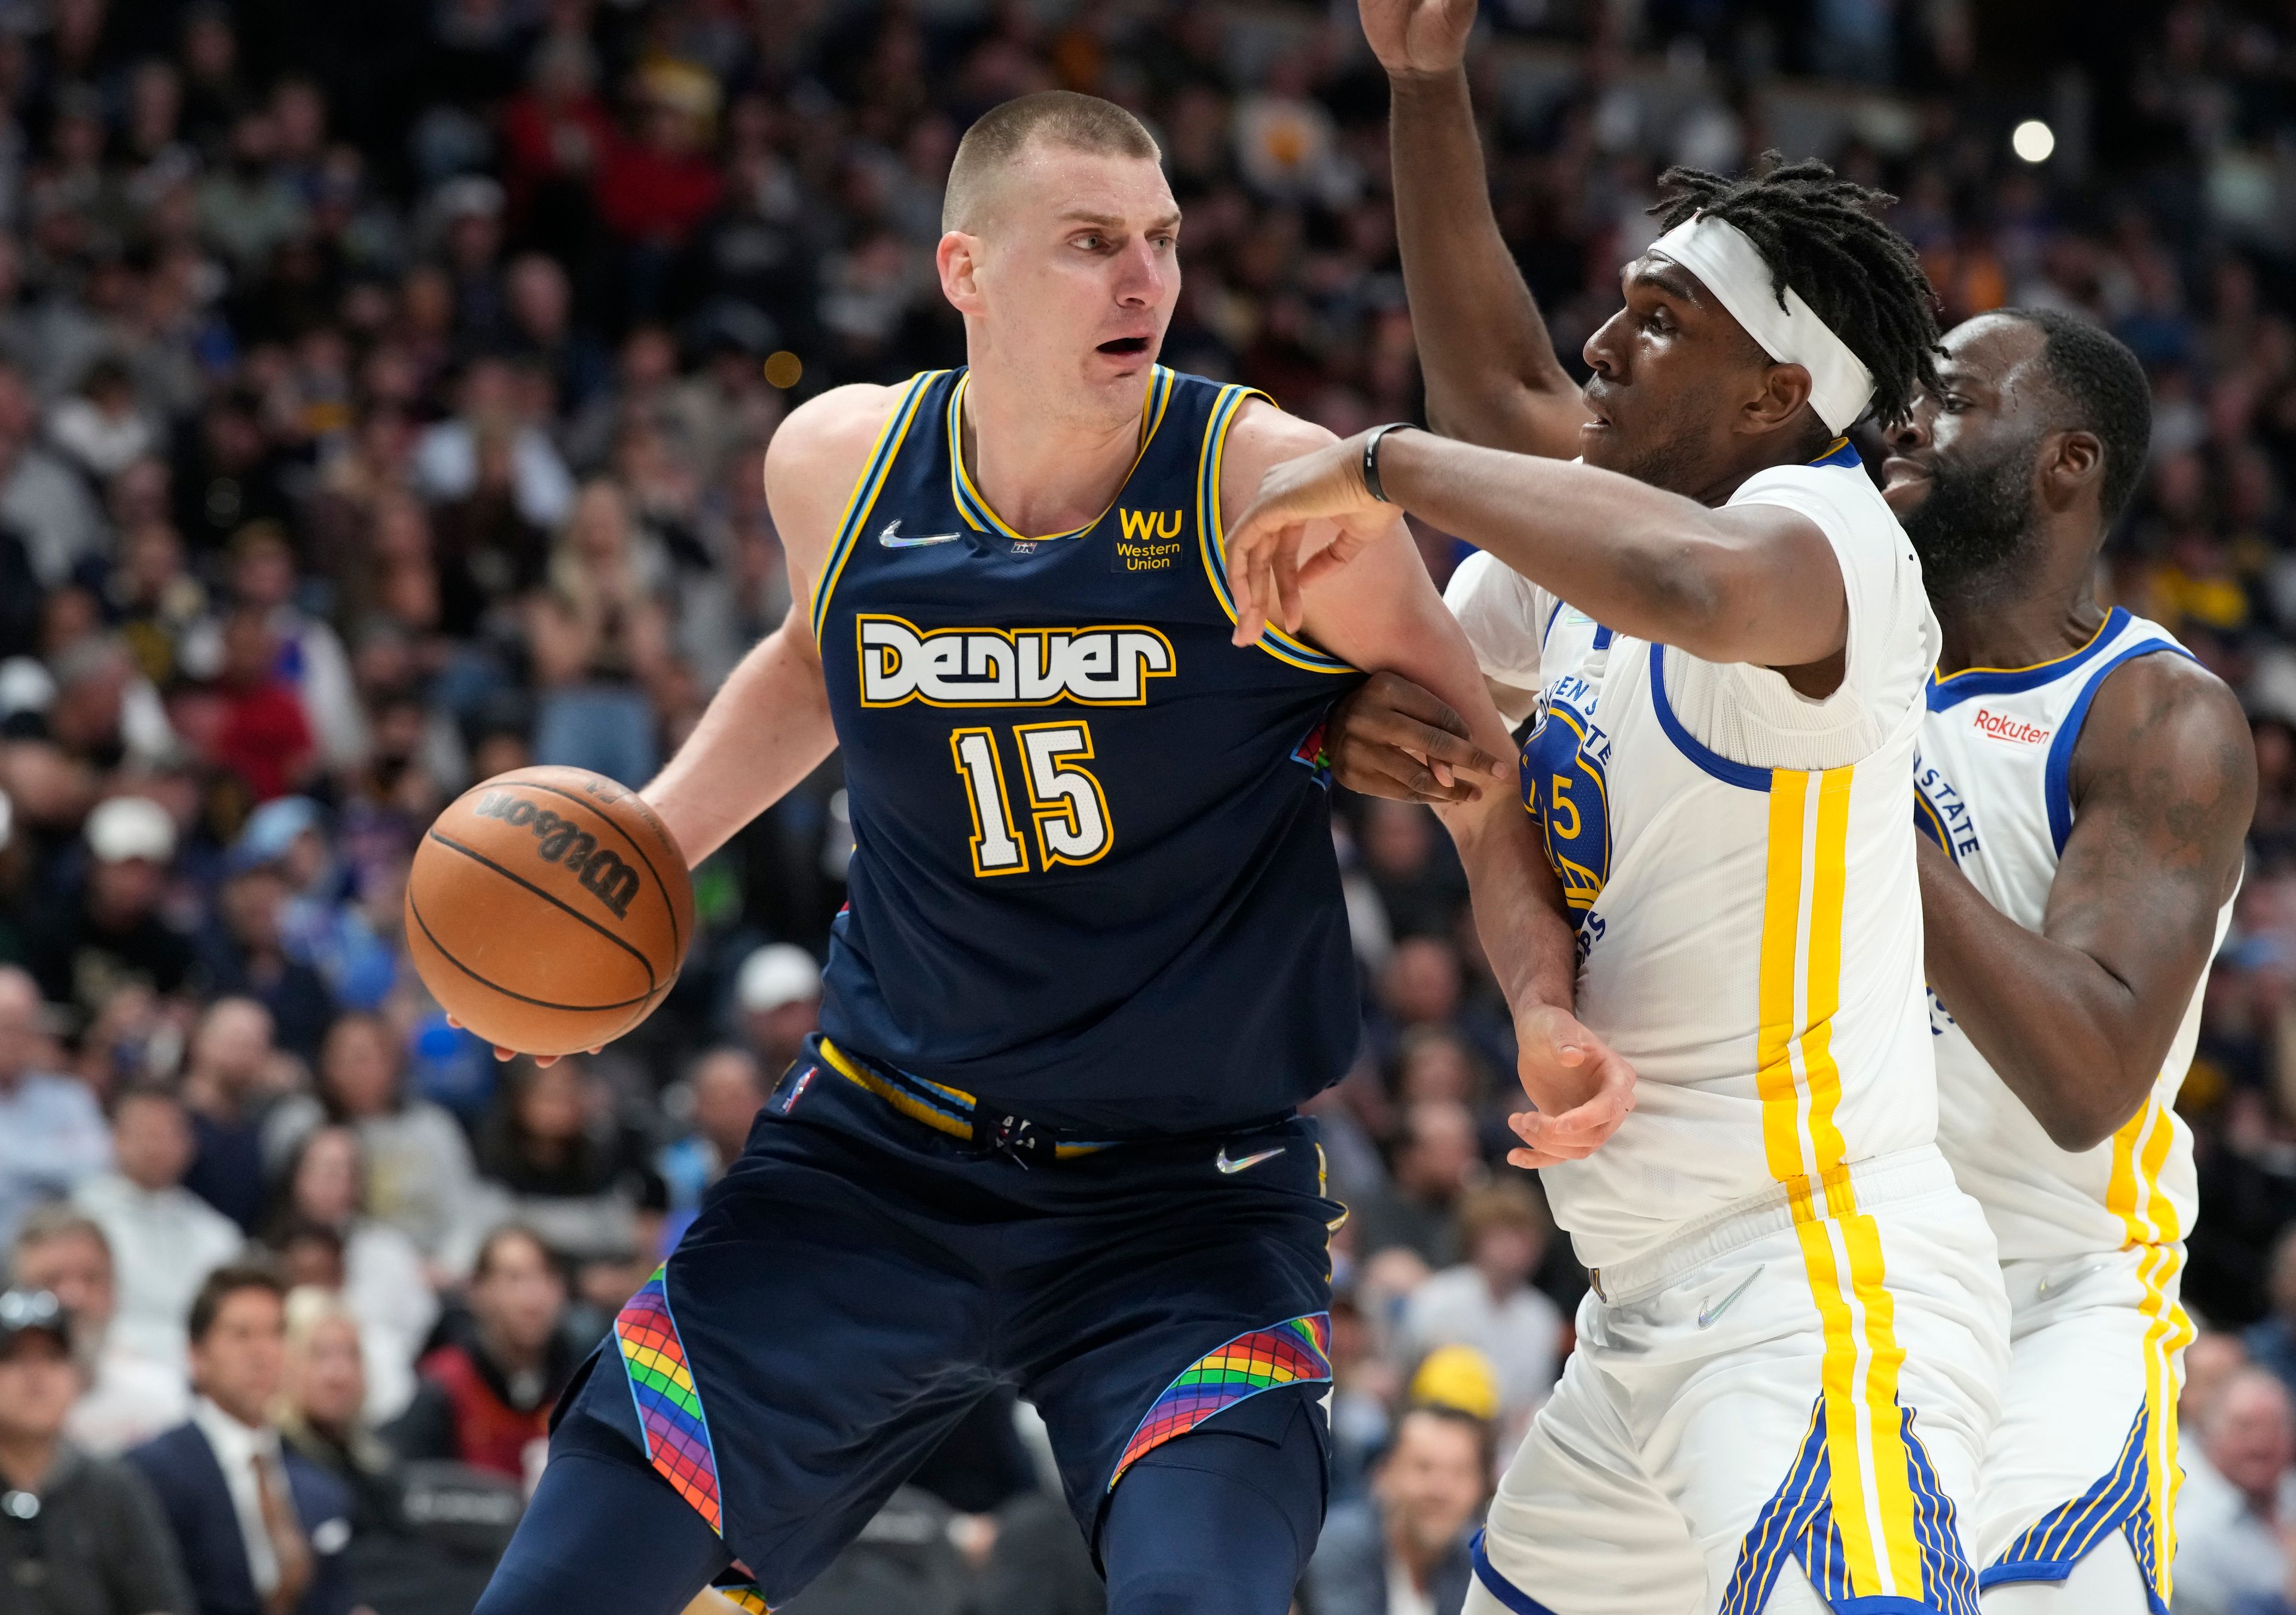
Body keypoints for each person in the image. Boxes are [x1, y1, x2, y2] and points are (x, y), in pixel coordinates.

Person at [466, 90, 1629, 1615]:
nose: (1143, 280)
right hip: (877, 1155)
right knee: (561, 1579)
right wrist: (645, 848)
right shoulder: (838, 463)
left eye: (1158, 242)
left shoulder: (1268, 494)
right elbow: (822, 658)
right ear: (966, 269)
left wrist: (1541, 1004)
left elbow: (1482, 779)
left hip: (1183, 1201)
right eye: (1090, 244)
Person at [1225, 5, 2016, 1610]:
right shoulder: (1567, 574)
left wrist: (1385, 460)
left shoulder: (1828, 535)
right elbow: (1509, 402)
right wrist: (1427, 86)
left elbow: (1649, 553)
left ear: (1773, 393)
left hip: (1819, 1296)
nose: (1602, 345)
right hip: (1641, 1315)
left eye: (1659, 324)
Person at [1335, 300, 2251, 1611]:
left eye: (1958, 398)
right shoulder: (1816, 619)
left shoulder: (2155, 715)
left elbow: (2088, 1075)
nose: (1908, 417)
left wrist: (1858, 785)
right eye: (1907, 391)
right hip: (1801, 1271)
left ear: (2070, 463)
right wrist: (1430, 97)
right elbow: (1528, 406)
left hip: (2052, 1303)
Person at [127, 1263, 356, 1615]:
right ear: (196, 1356)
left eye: (276, 1333)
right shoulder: (150, 1472)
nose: (262, 1353)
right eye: (241, 1335)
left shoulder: (320, 1480)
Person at [0, 1286, 194, 1615]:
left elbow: (161, 1606)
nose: (36, 1376)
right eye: (14, 1358)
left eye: (52, 1358)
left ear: (79, 1377)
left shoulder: (116, 1490)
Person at [385, 1225, 579, 1486]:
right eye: (515, 1278)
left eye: (547, 1277)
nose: (535, 1297)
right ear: (478, 1291)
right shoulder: (444, 1386)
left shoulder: (582, 1384)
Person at [72, 1085, 245, 1367]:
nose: (154, 1146)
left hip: (200, 1372)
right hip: (108, 1367)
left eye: (166, 1134)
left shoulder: (217, 1234)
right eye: (143, 1133)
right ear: (114, 1138)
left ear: (189, 1144)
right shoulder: (80, 1221)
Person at [9, 1205, 189, 1455]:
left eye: (91, 1279)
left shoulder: (159, 1399)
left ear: (115, 1292)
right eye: (51, 1280)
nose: (73, 1298)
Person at [1396, 1180, 1564, 1425]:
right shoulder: (1437, 1298)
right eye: (1503, 1236)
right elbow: (1404, 1376)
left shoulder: (1543, 1316)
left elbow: (1534, 1400)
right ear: (1476, 1239)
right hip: (1440, 1425)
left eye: (1525, 1238)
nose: (1515, 1249)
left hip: (1512, 1441)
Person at [1301, 1403, 1490, 1615]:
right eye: (1424, 1467)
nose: (1441, 1490)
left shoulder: (1480, 1565)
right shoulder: (1335, 1546)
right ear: (1385, 1474)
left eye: (1460, 1473)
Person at [0, 963, 111, 1248]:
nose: (12, 1040)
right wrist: (59, 1154)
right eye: (4, 1027)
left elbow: (99, 1165)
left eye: (22, 1027)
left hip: (61, 1251)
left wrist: (14, 1160)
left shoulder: (70, 1096)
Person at [2173, 1369, 2296, 1615]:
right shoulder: (2186, 1528)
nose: (2261, 1442)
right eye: (2245, 1427)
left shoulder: (2289, 1491)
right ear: (2209, 1433)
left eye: (2275, 1426)